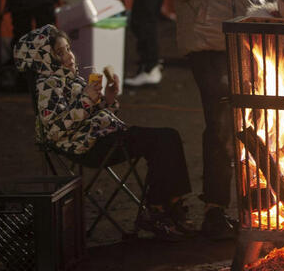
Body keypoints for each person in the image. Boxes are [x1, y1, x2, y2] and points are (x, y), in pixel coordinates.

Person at [165, 0, 272, 240]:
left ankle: (258, 197)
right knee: (222, 121)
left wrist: (257, 6)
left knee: (256, 118)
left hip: (243, 37)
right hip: (205, 42)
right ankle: (214, 208)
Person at [14, 25, 192, 240]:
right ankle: (158, 210)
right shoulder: (48, 85)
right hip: (86, 146)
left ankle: (171, 205)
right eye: (59, 53)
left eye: (68, 49)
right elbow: (56, 128)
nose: (69, 56)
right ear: (44, 59)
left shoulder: (70, 79)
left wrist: (107, 99)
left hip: (102, 136)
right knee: (163, 140)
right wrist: (88, 99)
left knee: (168, 137)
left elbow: (88, 113)